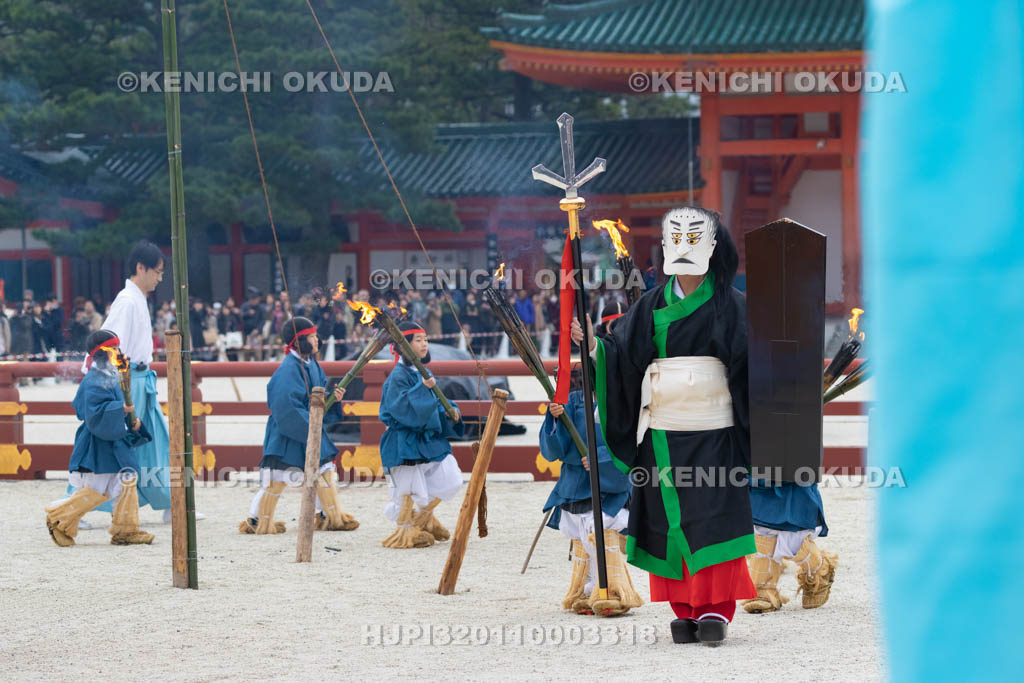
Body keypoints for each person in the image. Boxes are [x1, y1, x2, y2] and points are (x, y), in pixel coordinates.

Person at [572, 206, 756, 646]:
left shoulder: (734, 305)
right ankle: (684, 609)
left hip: (715, 432)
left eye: (695, 238)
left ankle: (715, 608)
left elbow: (753, 369)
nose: (685, 246)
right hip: (662, 431)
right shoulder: (652, 304)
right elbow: (623, 357)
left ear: (713, 247)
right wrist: (595, 347)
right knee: (670, 518)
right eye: (677, 237)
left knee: (712, 517)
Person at [541, 351, 641, 616]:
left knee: (602, 530)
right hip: (575, 481)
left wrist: (600, 460)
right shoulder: (572, 402)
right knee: (581, 536)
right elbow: (555, 448)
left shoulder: (621, 403)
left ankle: (613, 591)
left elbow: (631, 444)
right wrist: (554, 417)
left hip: (609, 482)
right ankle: (585, 591)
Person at [239, 316, 358, 534]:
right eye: (312, 336)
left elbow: (318, 395)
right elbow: (285, 406)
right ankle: (257, 520)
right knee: (277, 480)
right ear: (300, 341)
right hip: (290, 430)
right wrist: (310, 428)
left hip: (309, 424)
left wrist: (332, 398)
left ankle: (329, 516)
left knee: (323, 473)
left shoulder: (311, 363)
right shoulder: (288, 369)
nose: (316, 340)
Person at [91, 241, 179, 521]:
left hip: (141, 379)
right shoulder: (127, 301)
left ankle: (171, 502)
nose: (160, 277)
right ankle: (81, 500)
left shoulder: (136, 298)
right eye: (157, 271)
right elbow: (110, 345)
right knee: (120, 443)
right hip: (129, 381)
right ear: (140, 267)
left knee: (156, 441)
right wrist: (116, 387)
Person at [44, 329, 155, 546]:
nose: (117, 352)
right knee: (98, 488)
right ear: (101, 353)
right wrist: (120, 409)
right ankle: (59, 518)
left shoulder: (111, 375)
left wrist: (132, 420)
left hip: (114, 439)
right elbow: (93, 414)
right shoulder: (93, 380)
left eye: (117, 348)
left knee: (125, 482)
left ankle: (126, 530)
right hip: (99, 441)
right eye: (112, 349)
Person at [378, 320, 463, 548]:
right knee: (408, 488)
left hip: (426, 440)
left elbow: (433, 403)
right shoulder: (397, 376)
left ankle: (423, 519)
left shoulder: (422, 372)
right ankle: (405, 531)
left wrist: (450, 410)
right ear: (405, 346)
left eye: (425, 339)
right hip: (404, 439)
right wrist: (422, 389)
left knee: (450, 477)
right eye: (418, 340)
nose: (424, 344)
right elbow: (400, 408)